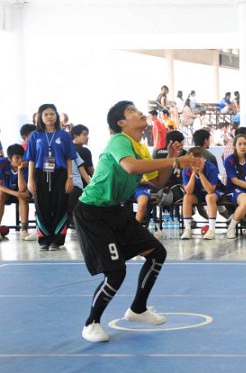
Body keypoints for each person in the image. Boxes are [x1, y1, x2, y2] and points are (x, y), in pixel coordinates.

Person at [75, 100, 201, 342]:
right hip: (92, 212)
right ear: (121, 123)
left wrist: (170, 159)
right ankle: (91, 323)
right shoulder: (119, 141)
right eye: (131, 111)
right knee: (115, 272)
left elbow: (156, 183)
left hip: (114, 210)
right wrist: (174, 162)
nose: (140, 113)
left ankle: (138, 309)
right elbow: (131, 168)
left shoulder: (142, 147)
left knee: (157, 253)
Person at [25, 104, 77, 250]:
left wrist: (69, 178)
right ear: (40, 117)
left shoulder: (64, 135)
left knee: (60, 206)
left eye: (52, 114)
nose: (49, 117)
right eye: (46, 114)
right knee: (42, 207)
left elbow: (68, 158)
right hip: (40, 175)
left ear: (56, 116)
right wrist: (30, 179)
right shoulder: (35, 135)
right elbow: (31, 159)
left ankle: (57, 240)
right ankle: (44, 240)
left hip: (60, 174)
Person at [180, 147, 222, 241]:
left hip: (214, 192)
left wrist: (201, 174)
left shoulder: (211, 168)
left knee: (209, 197)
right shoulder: (186, 170)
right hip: (197, 193)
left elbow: (210, 190)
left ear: (203, 158)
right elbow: (189, 191)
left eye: (198, 158)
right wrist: (193, 174)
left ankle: (211, 230)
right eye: (193, 158)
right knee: (187, 197)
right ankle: (187, 229)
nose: (196, 161)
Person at [0, 144, 35, 240]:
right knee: (0, 195)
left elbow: (22, 189)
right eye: (17, 158)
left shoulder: (27, 165)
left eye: (21, 157)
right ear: (9, 159)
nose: (20, 160)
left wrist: (20, 171)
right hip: (7, 191)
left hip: (22, 190)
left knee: (23, 196)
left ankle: (24, 230)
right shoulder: (1, 164)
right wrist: (16, 194)